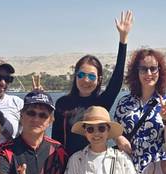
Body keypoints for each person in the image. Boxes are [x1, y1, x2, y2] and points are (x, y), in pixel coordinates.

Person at [53, 10, 134, 156]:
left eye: (91, 76)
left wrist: (123, 40)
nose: (86, 80)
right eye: (82, 75)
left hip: (95, 167)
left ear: (99, 80)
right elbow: (55, 141)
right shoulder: (62, 104)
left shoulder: (101, 103)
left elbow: (116, 80)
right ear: (75, 76)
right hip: (68, 168)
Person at [114, 48, 166, 174]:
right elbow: (114, 130)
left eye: (153, 68)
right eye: (144, 69)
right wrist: (118, 138)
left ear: (160, 71)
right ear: (136, 72)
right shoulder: (124, 103)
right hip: (127, 170)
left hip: (158, 171)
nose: (149, 73)